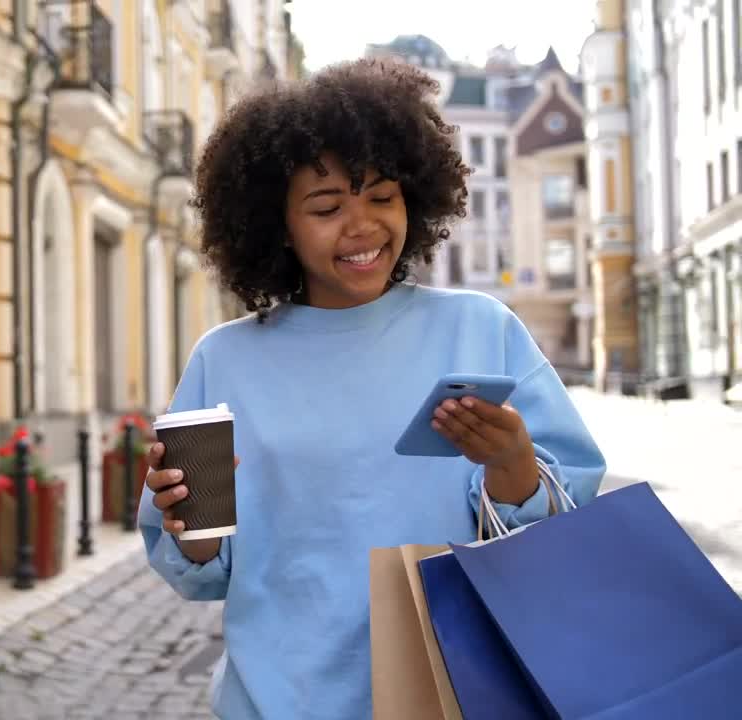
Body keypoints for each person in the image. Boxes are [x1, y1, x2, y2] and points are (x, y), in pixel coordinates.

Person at [138, 58, 607, 719]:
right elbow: (202, 571)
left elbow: (559, 529)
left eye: (382, 197)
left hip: (458, 693)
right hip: (278, 701)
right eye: (327, 207)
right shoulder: (225, 361)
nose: (361, 227)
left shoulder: (480, 329)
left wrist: (512, 463)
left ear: (415, 198)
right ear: (276, 222)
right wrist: (192, 527)